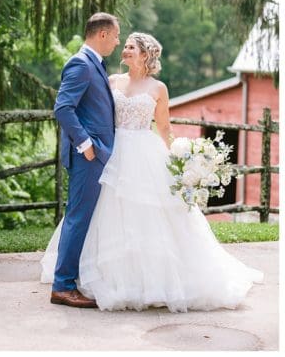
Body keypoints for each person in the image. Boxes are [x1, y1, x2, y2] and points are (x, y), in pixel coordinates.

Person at [41, 32, 264, 312]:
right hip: (112, 150)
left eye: (131, 47)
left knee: (151, 215)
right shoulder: (112, 81)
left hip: (145, 153)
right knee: (98, 210)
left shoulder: (159, 89)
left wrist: (182, 158)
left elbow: (164, 129)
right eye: (124, 46)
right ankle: (86, 274)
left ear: (145, 55)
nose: (125, 50)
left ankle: (149, 280)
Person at [47, 12, 121, 308]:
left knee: (82, 217)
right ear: (102, 34)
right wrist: (86, 144)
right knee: (77, 218)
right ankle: (62, 286)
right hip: (88, 156)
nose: (117, 42)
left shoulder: (95, 64)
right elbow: (63, 108)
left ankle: (70, 280)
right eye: (115, 36)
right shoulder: (80, 63)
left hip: (99, 154)